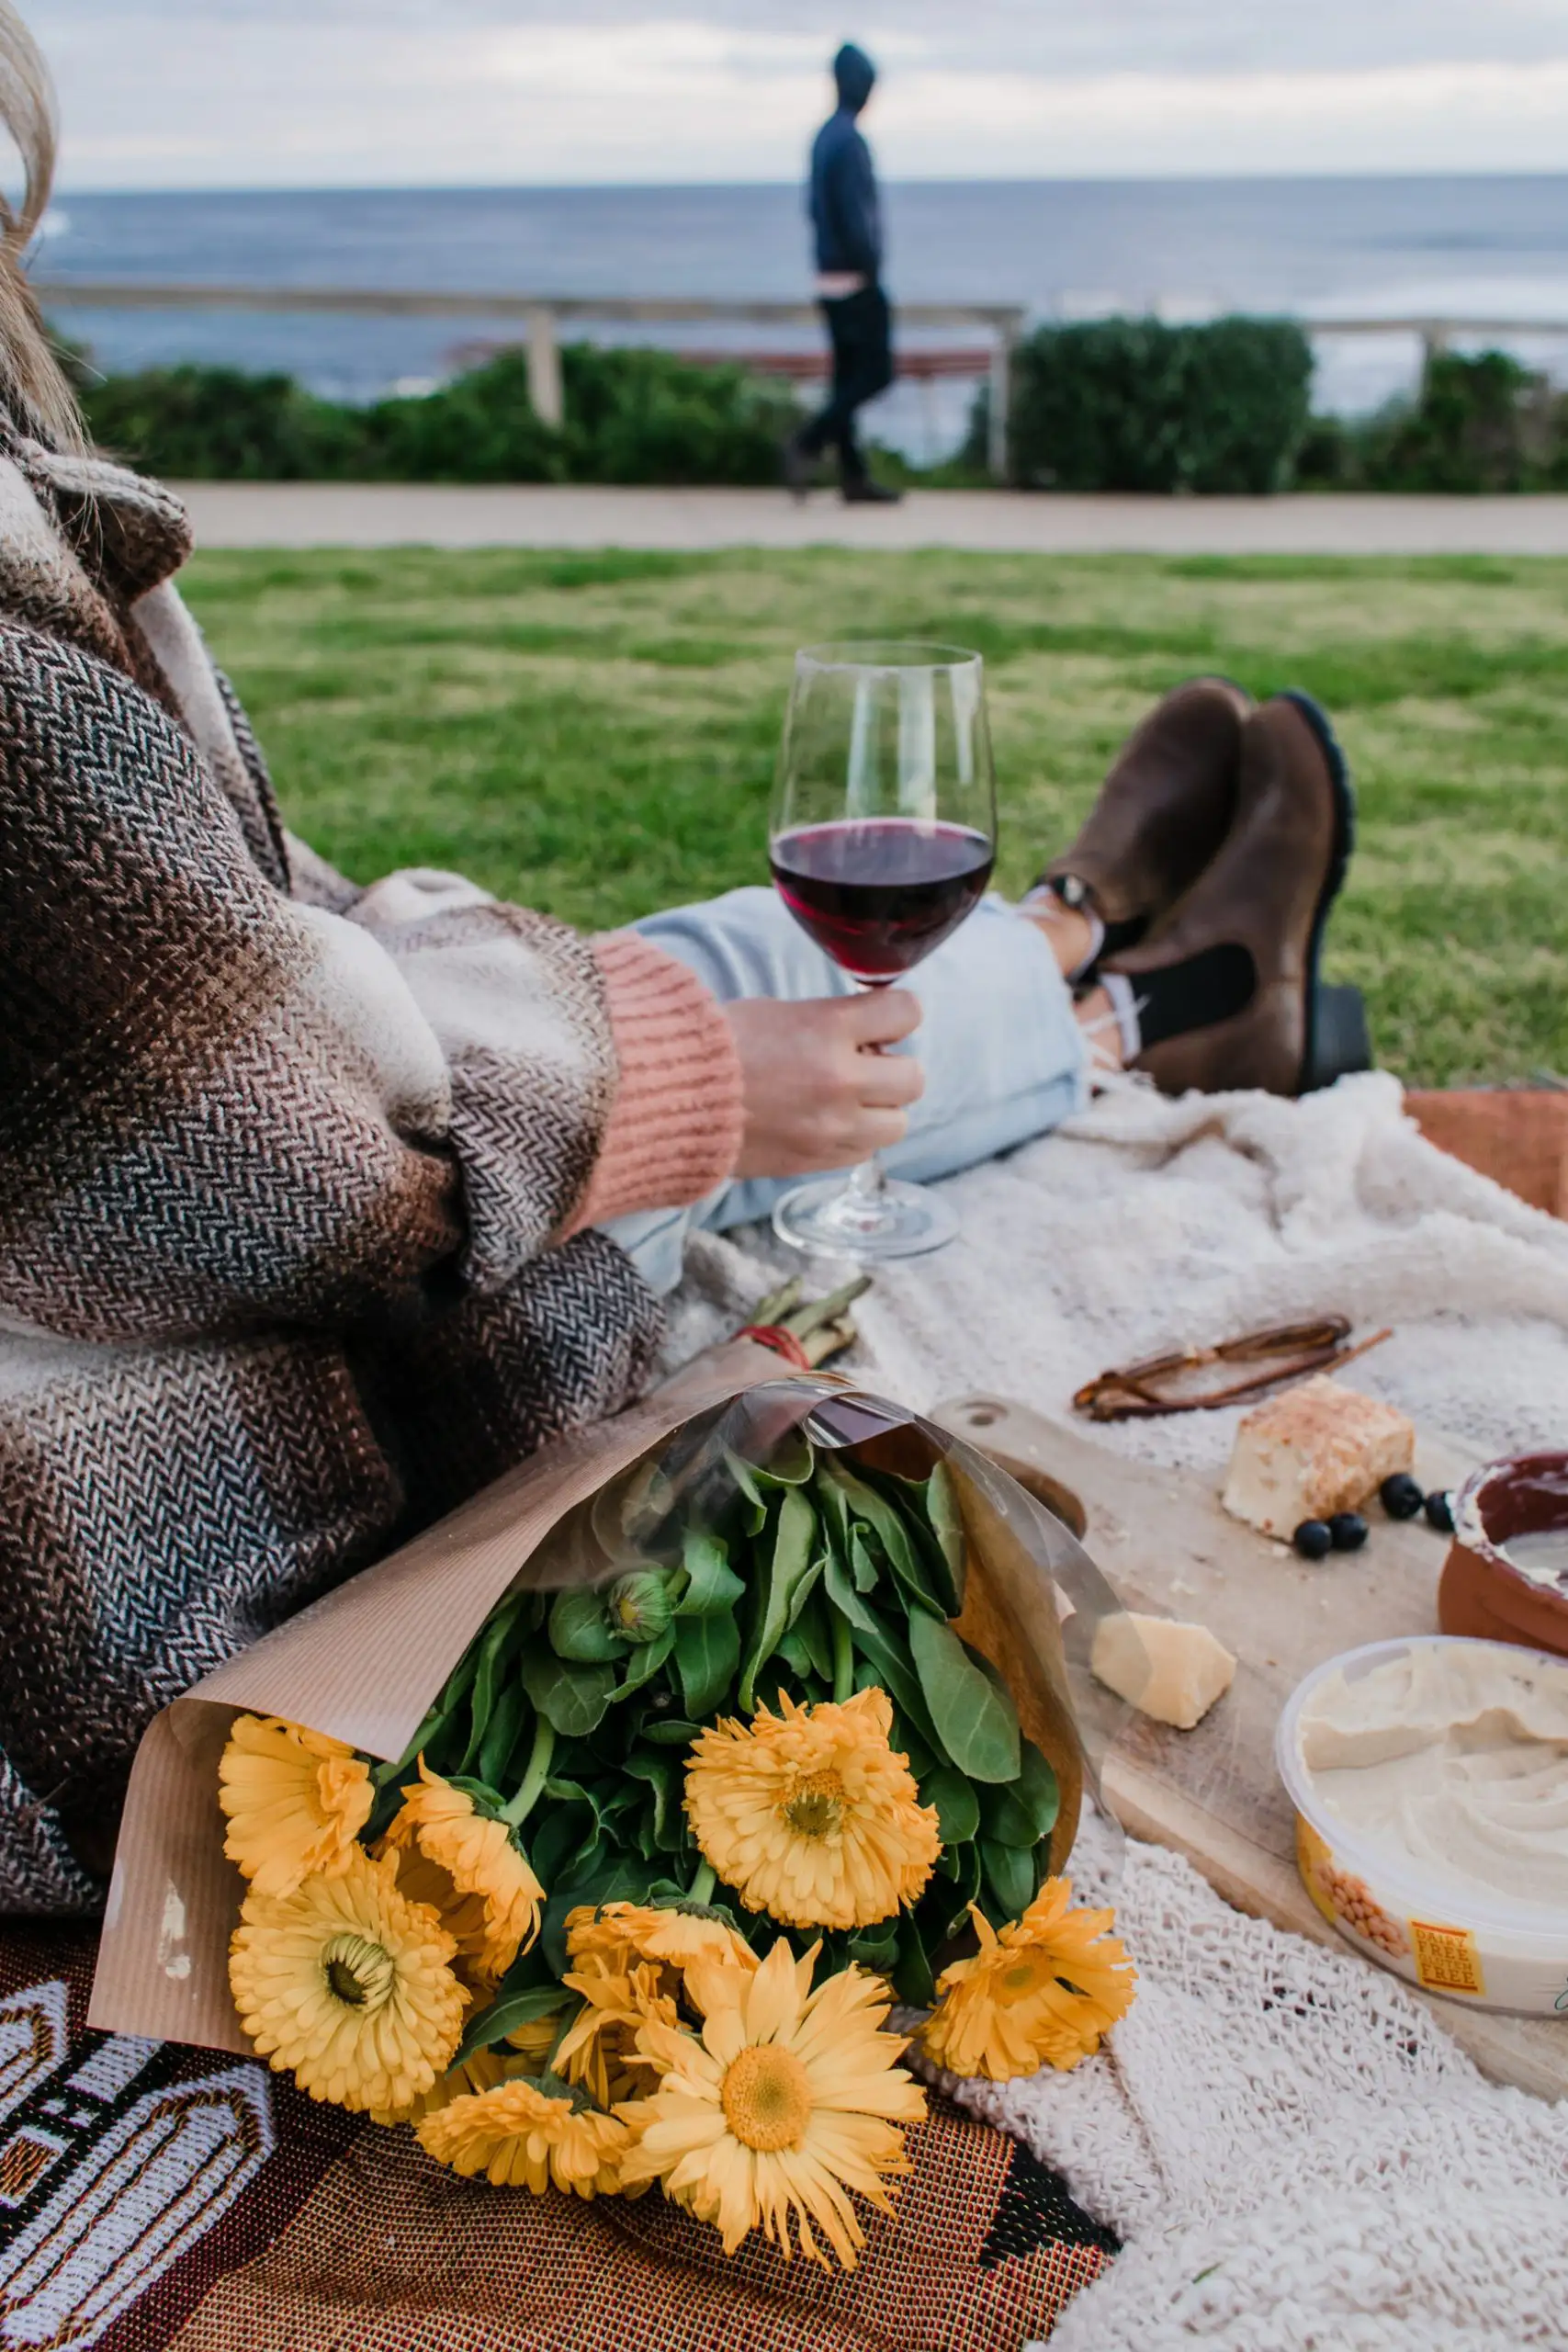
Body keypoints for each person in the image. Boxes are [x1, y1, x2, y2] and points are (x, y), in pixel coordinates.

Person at [0, 6, 1363, 1914]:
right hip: (129, 1523)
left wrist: (600, 1025)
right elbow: (289, 1154)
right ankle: (1135, 999)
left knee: (714, 971)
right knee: (757, 1033)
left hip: (145, 1273)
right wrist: (692, 1083)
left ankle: (1082, 945)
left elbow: (214, 971)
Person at [784, 41, 900, 505]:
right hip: (853, 278)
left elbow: (814, 208)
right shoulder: (848, 141)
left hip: (827, 276)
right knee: (875, 372)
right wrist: (869, 268)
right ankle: (809, 442)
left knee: (847, 377)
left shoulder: (822, 138)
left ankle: (853, 476)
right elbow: (854, 215)